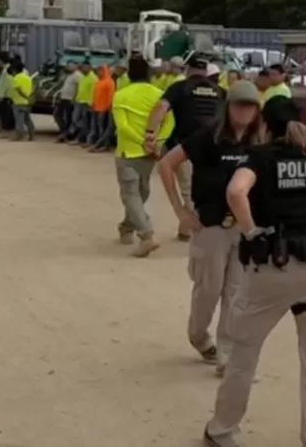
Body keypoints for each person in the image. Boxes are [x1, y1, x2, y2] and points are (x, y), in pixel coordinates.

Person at [203, 95, 306, 447]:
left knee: (244, 354)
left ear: (266, 124)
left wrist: (249, 231)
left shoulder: (261, 157)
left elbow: (236, 191)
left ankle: (222, 430)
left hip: (271, 267)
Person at [158, 80, 263, 376]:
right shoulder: (208, 137)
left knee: (237, 292)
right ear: (228, 107)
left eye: (250, 106)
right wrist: (181, 210)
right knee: (209, 289)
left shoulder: (261, 142)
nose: (245, 111)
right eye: (239, 104)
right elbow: (167, 164)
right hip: (212, 226)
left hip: (245, 227)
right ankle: (199, 336)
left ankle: (226, 354)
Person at [145, 53, 226, 241]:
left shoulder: (179, 88)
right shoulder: (221, 92)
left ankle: (192, 228)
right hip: (216, 146)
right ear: (206, 70)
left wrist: (150, 133)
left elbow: (160, 108)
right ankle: (188, 228)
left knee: (188, 189)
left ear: (188, 69)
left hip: (186, 145)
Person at [112, 57, 165, 257]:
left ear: (128, 74)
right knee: (140, 193)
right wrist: (156, 142)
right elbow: (169, 121)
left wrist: (142, 141)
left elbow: (122, 127)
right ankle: (127, 228)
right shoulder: (159, 95)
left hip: (128, 152)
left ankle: (145, 234)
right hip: (150, 154)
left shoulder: (121, 95)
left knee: (131, 195)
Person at [87, 64, 116, 152]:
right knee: (97, 127)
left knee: (102, 128)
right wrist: (92, 104)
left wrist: (106, 107)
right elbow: (95, 95)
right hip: (96, 108)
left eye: (100, 70)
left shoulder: (109, 82)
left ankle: (105, 145)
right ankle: (98, 143)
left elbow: (110, 97)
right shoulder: (98, 82)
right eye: (98, 71)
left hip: (103, 109)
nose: (98, 72)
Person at [8, 57, 36, 141]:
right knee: (27, 119)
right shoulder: (28, 78)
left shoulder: (16, 78)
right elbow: (32, 89)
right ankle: (32, 134)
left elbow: (18, 90)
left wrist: (24, 96)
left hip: (18, 102)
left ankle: (19, 135)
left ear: (14, 70)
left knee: (19, 119)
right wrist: (29, 98)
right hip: (27, 102)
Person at [55, 62, 82, 143]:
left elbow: (78, 87)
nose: (68, 67)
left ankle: (67, 134)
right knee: (57, 114)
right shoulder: (69, 75)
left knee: (68, 118)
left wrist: (74, 99)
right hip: (64, 99)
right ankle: (64, 132)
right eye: (67, 66)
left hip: (70, 99)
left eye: (70, 65)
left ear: (76, 66)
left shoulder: (77, 75)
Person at [74, 62, 98, 147]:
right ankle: (84, 134)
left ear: (90, 68)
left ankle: (84, 138)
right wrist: (76, 98)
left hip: (87, 103)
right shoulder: (82, 77)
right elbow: (80, 88)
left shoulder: (93, 78)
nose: (84, 69)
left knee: (85, 121)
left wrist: (91, 103)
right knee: (75, 120)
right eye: (83, 67)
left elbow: (94, 91)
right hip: (80, 101)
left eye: (86, 67)